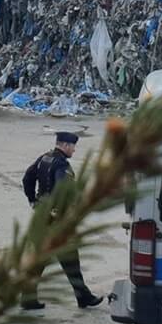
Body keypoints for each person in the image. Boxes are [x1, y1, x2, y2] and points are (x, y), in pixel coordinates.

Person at [21, 131, 104, 310]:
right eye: (73, 146)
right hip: (56, 220)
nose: (74, 150)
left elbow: (27, 178)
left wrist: (33, 200)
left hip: (41, 215)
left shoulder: (44, 158)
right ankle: (82, 296)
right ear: (65, 145)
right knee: (66, 256)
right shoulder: (61, 165)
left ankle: (80, 296)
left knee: (52, 257)